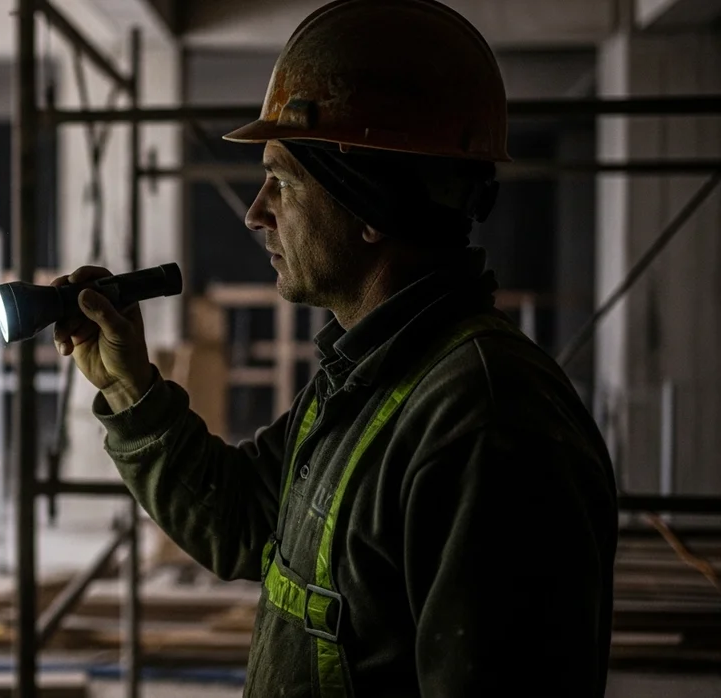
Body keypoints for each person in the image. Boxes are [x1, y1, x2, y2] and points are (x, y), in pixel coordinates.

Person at [49, 0, 619, 696]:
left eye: (283, 182)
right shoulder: (370, 377)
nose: (258, 212)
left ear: (373, 207)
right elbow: (243, 521)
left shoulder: (487, 423)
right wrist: (129, 388)